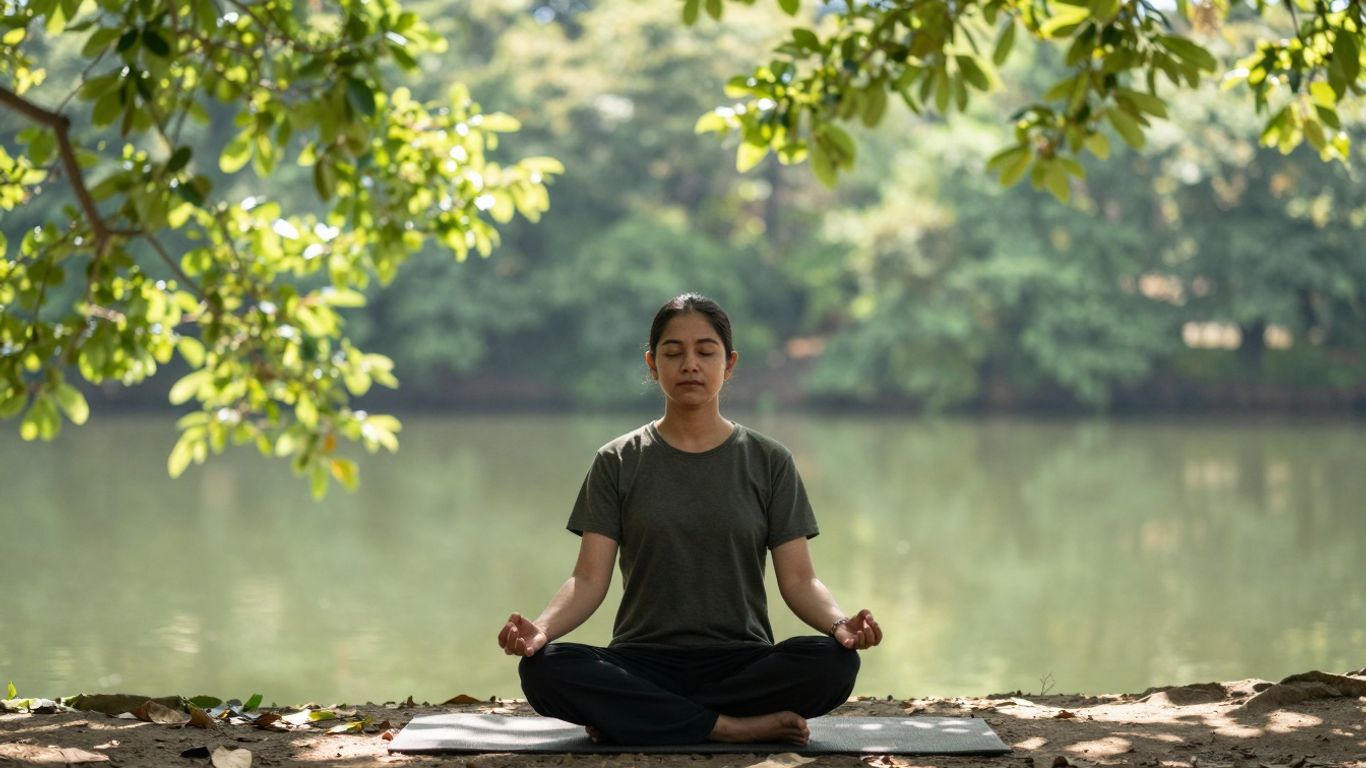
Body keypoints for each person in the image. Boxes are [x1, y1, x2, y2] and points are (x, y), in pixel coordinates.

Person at [496, 293, 883, 747]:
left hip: (743, 663)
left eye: (705, 351)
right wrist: (540, 631)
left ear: (730, 363)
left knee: (833, 663)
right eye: (673, 352)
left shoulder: (770, 461)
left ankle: (641, 714)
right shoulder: (617, 461)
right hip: (642, 661)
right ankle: (729, 726)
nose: (690, 365)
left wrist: (840, 625)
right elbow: (587, 579)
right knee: (544, 669)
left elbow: (799, 581)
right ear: (652, 364)